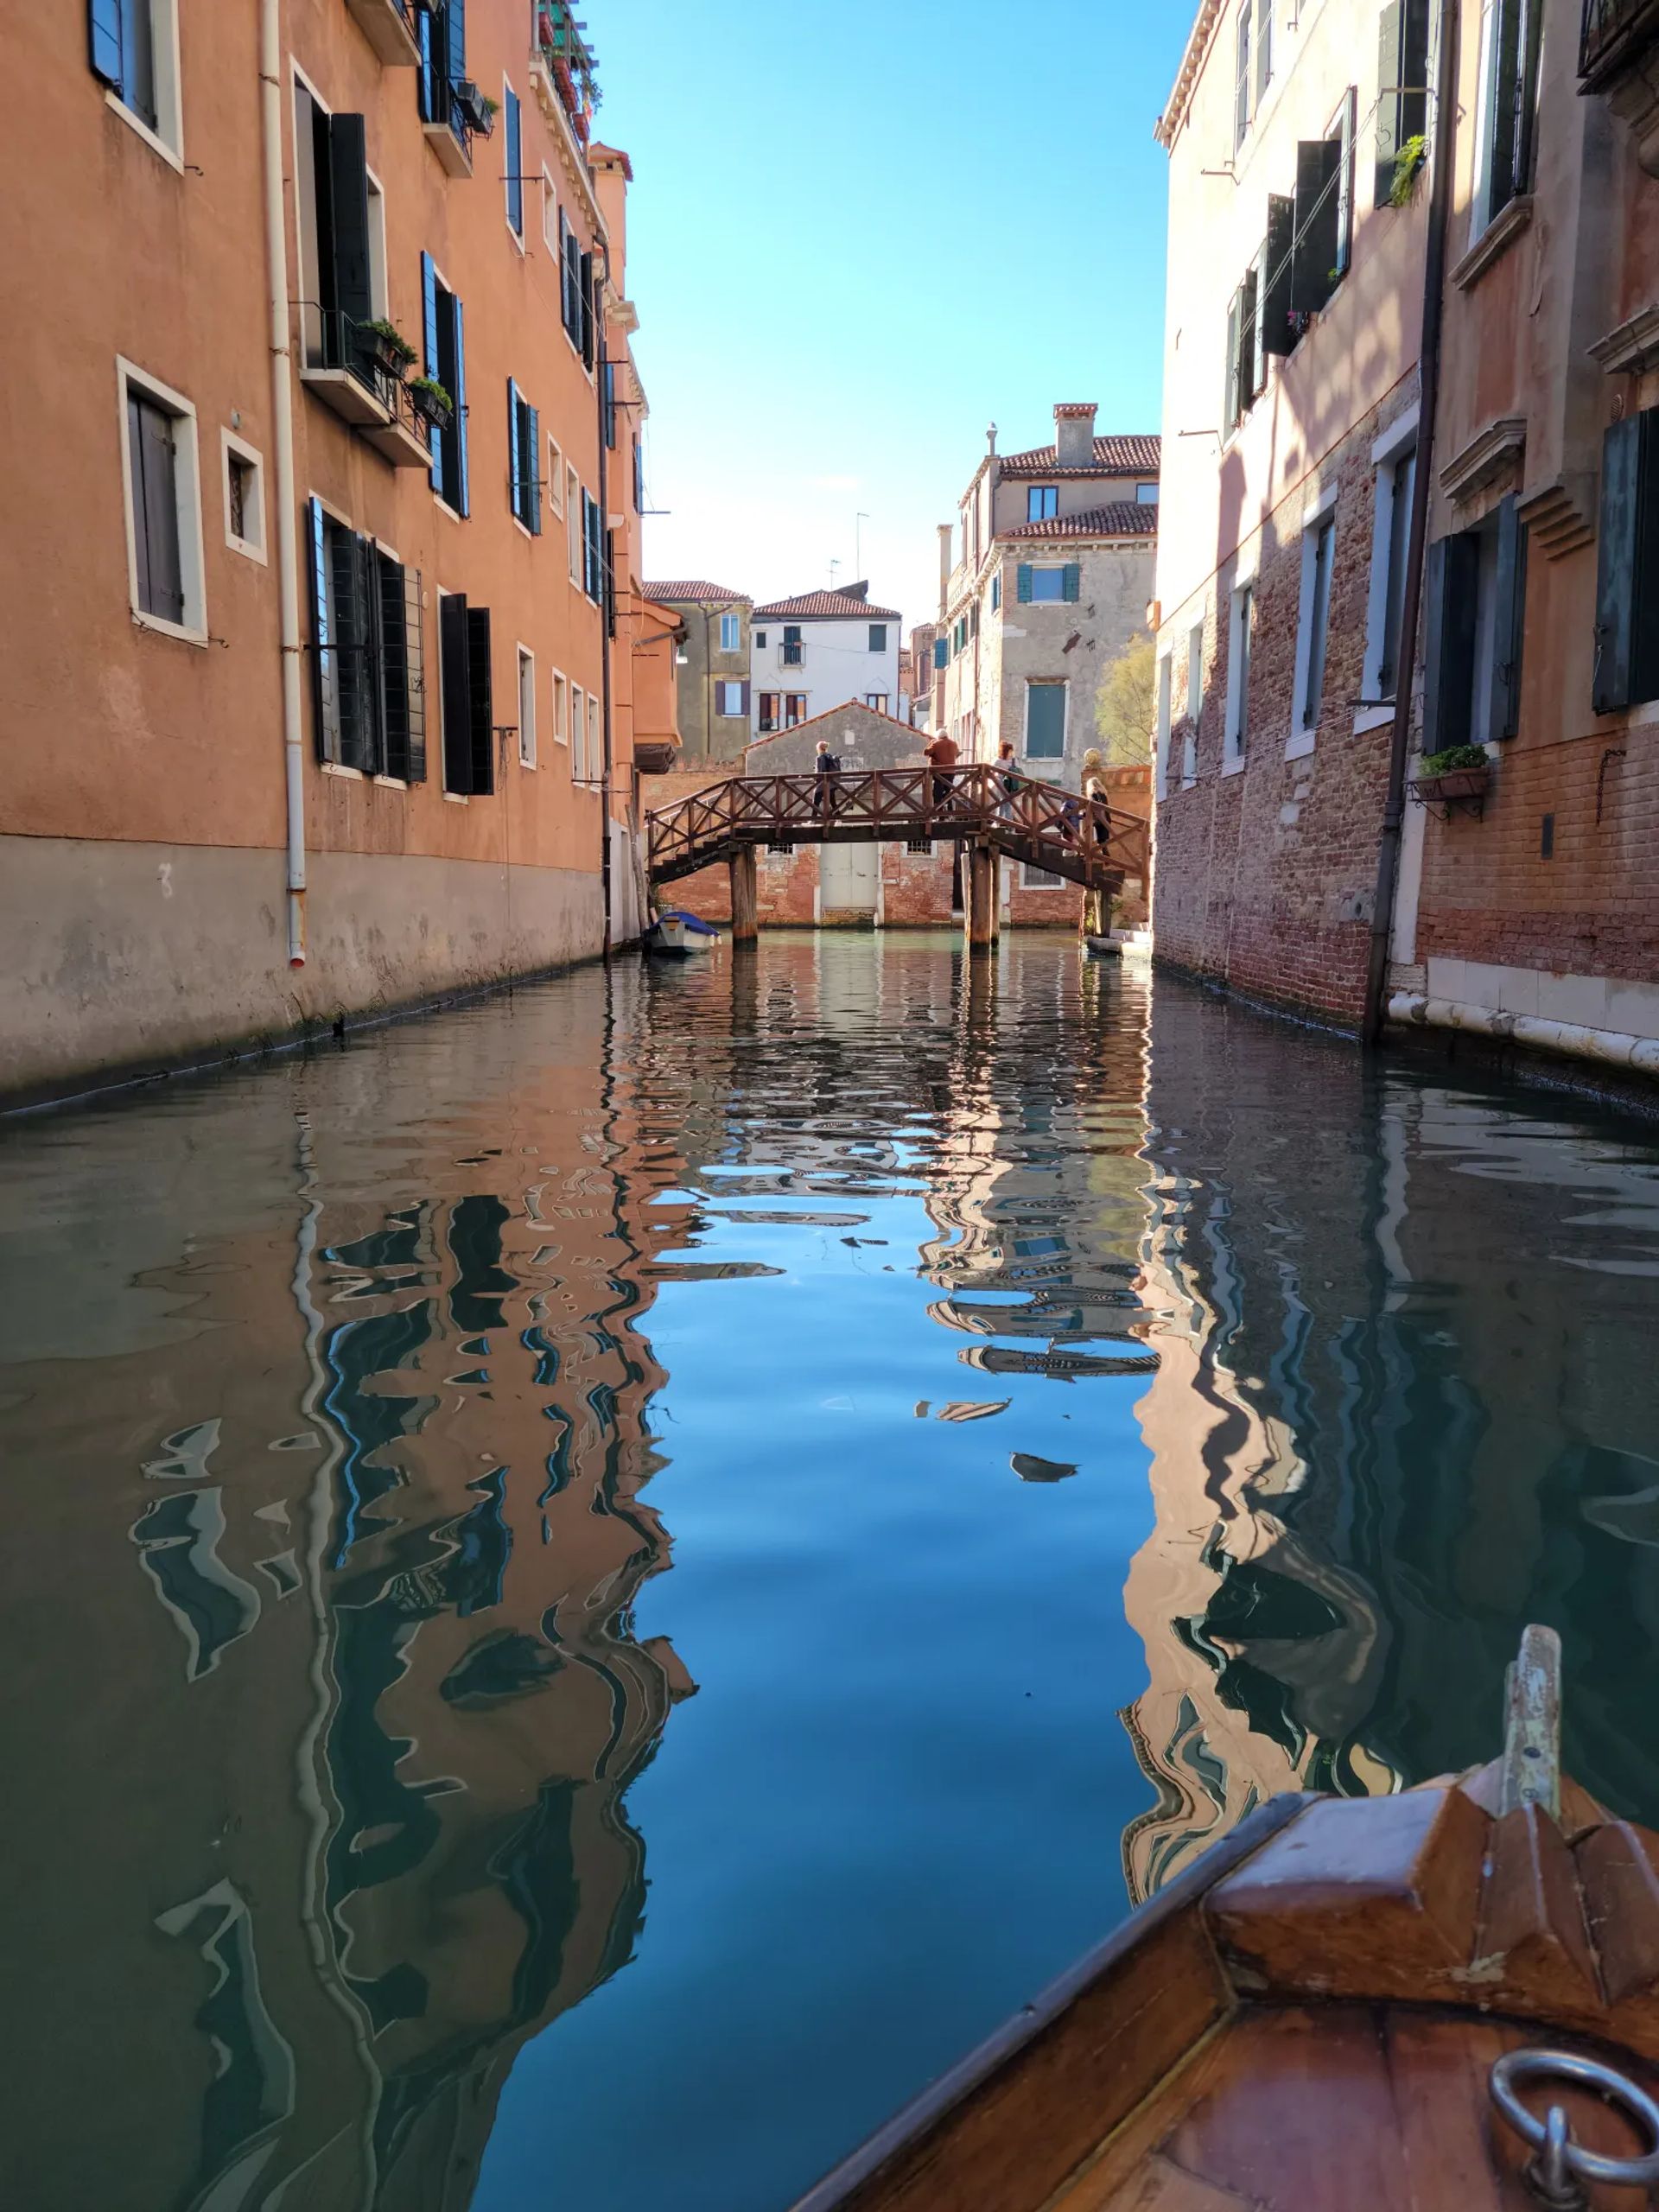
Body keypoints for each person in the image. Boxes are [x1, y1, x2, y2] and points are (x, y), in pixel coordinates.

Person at [923, 728, 958, 812]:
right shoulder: (954, 744)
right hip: (951, 772)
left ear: (938, 736)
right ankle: (950, 812)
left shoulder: (936, 744)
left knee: (937, 793)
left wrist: (931, 742)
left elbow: (925, 752)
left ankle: (939, 813)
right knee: (948, 793)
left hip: (939, 773)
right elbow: (956, 753)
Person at [813, 736, 841, 820]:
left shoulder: (819, 758)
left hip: (823, 783)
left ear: (819, 749)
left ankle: (813, 819)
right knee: (832, 801)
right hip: (833, 783)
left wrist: (814, 778)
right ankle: (839, 817)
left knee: (816, 799)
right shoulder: (830, 756)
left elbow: (819, 772)